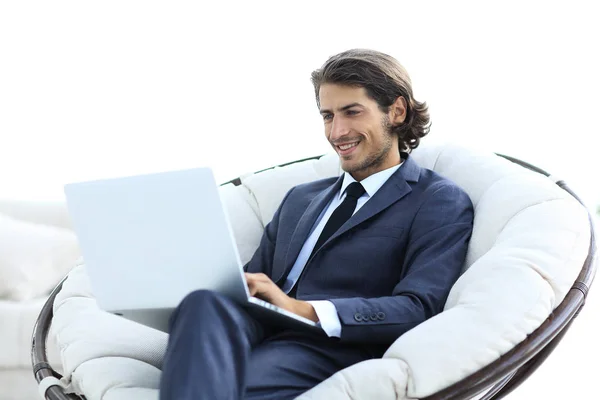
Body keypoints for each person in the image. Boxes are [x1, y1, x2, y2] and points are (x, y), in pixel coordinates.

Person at [159, 49, 474, 400]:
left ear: (397, 111)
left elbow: (418, 307)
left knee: (232, 386)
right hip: (253, 327)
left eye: (352, 112)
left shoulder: (437, 200)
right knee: (204, 302)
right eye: (327, 116)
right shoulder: (300, 199)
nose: (337, 131)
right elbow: (253, 282)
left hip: (324, 344)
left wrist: (301, 310)